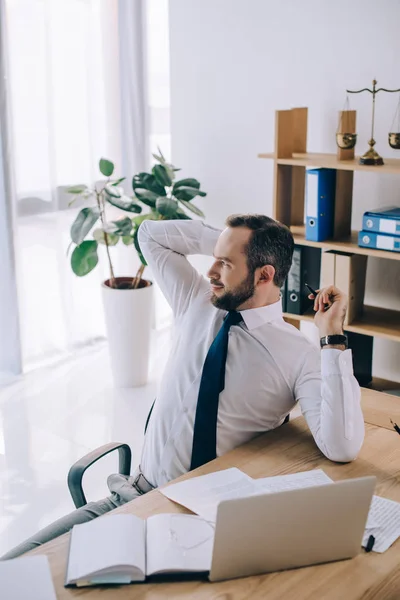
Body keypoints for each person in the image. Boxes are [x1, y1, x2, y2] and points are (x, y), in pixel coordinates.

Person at [2, 214, 364, 559]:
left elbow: (341, 445)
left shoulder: (298, 353)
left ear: (264, 274)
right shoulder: (195, 298)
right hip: (132, 498)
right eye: (214, 258)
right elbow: (150, 235)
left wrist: (332, 336)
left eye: (225, 263)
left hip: (201, 524)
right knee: (16, 567)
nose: (210, 270)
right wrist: (226, 243)